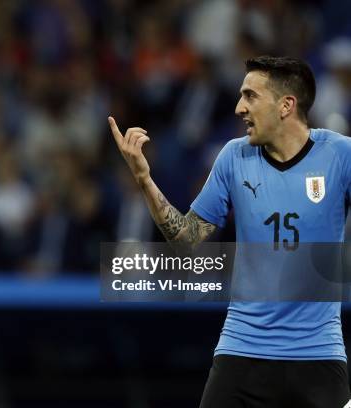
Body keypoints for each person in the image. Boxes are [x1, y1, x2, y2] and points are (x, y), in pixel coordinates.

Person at [110, 55, 351, 407]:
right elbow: (187, 238)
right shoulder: (233, 158)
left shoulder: (340, 155)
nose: (239, 108)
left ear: (286, 105)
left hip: (318, 356)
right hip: (242, 350)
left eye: (251, 96)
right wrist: (144, 180)